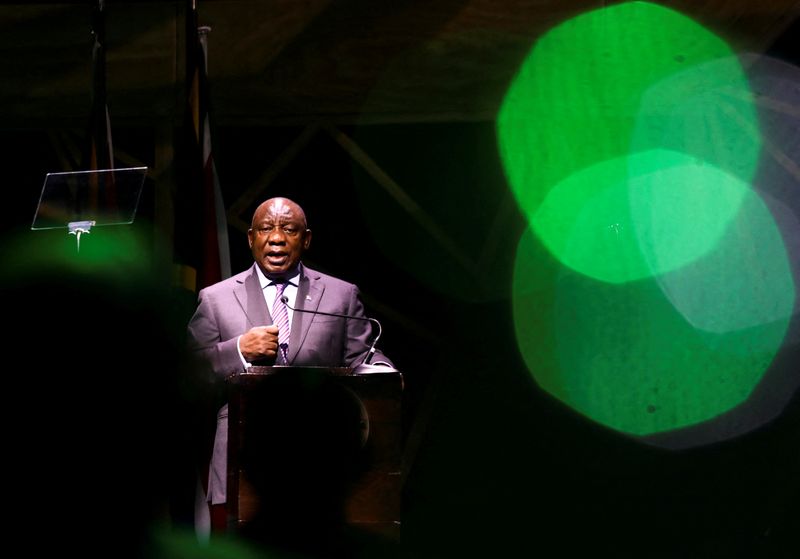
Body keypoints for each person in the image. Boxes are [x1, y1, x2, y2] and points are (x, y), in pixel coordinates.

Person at [185, 196, 395, 554]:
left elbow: (366, 357)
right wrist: (238, 350)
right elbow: (186, 374)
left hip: (320, 466)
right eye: (266, 229)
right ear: (250, 237)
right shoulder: (215, 299)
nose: (277, 238)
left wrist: (382, 373)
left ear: (306, 239)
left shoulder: (341, 297)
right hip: (241, 464)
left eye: (289, 229)